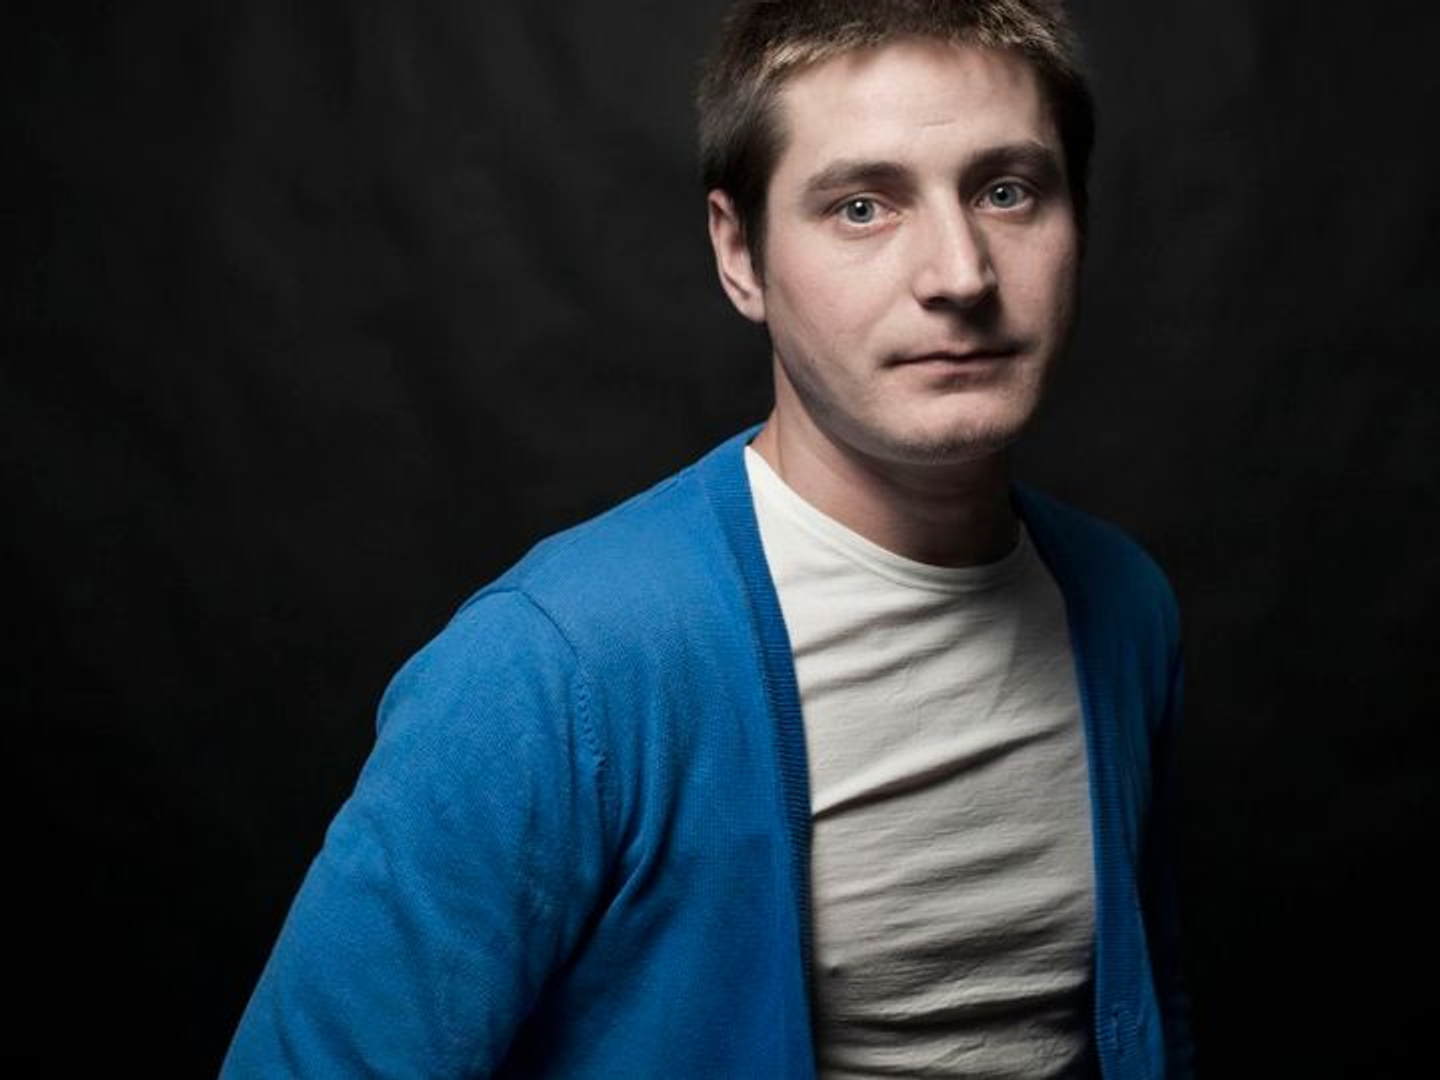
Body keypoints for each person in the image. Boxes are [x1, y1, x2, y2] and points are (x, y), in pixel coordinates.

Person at [221, 1, 1196, 1076]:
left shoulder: (1123, 607)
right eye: (862, 207)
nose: (960, 275)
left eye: (1007, 191)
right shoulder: (557, 667)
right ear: (740, 254)